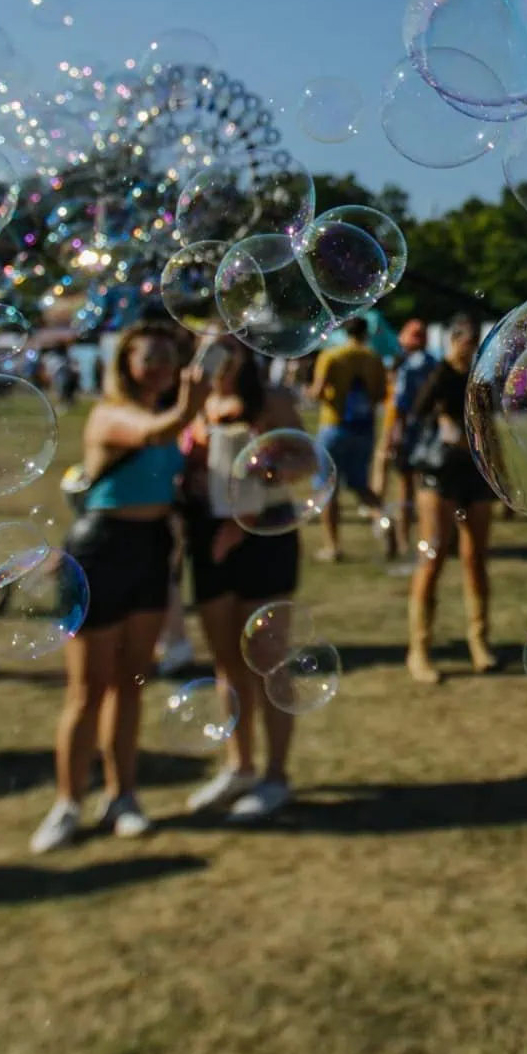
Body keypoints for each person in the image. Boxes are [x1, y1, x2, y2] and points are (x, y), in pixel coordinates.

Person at [34, 323, 203, 854]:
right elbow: (154, 433)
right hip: (100, 550)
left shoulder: (168, 419)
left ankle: (122, 796)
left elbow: (174, 458)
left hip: (151, 548)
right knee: (87, 690)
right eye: (146, 358)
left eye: (165, 358)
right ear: (123, 364)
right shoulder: (112, 414)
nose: (157, 367)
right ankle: (66, 804)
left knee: (131, 682)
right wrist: (191, 404)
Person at [184, 338, 310, 819]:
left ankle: (277, 776)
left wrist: (272, 469)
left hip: (265, 534)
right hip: (208, 534)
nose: (216, 359)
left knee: (268, 658)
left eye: (224, 349)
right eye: (205, 350)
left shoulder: (272, 401)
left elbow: (307, 458)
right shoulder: (194, 406)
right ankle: (239, 766)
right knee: (225, 662)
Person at [402, 317, 500, 683]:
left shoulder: (481, 381)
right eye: (463, 340)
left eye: (474, 340)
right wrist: (444, 375)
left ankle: (479, 641)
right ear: (453, 341)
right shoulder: (439, 374)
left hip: (473, 475)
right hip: (438, 474)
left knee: (476, 558)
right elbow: (417, 412)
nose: (469, 346)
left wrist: (499, 479)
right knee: (434, 556)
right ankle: (419, 649)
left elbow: (491, 431)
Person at [309, 316, 389, 563]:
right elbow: (382, 394)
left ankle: (333, 546)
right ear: (366, 333)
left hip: (334, 426)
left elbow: (318, 391)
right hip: (363, 429)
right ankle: (390, 532)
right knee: (361, 485)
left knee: (328, 488)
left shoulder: (332, 356)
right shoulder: (374, 358)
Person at [385, 318, 439, 559]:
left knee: (405, 490)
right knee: (427, 489)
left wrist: (393, 436)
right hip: (431, 435)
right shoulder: (435, 364)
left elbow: (400, 406)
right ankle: (427, 538)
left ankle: (404, 540)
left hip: (410, 434)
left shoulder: (407, 368)